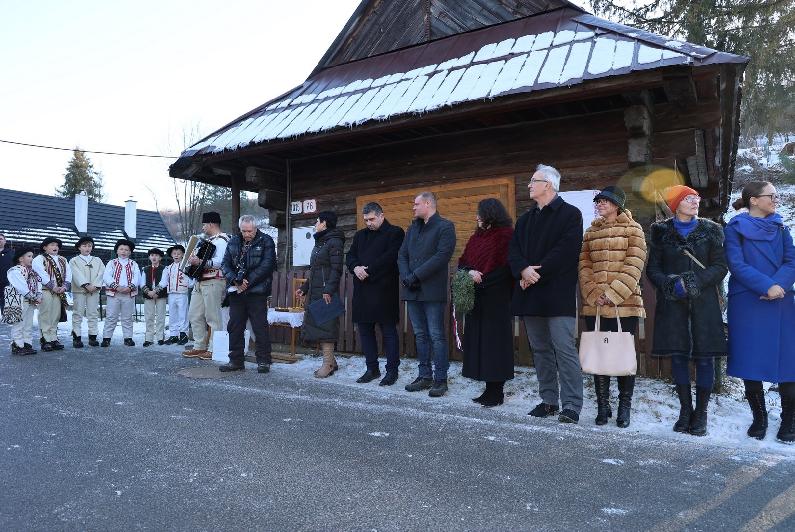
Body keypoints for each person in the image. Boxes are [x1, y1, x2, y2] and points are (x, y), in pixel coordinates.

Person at [647, 185, 727, 437]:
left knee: (705, 357)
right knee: (678, 356)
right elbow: (653, 269)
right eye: (688, 198)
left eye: (696, 198)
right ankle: (685, 411)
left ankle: (700, 413)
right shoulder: (660, 232)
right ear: (675, 204)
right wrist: (670, 284)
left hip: (705, 304)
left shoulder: (712, 230)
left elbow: (720, 266)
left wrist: (693, 283)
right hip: (673, 304)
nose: (695, 202)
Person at [509, 164, 584, 423]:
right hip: (530, 293)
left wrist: (533, 274)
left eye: (533, 181)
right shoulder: (525, 219)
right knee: (540, 349)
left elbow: (566, 251)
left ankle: (572, 405)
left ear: (548, 185)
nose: (529, 185)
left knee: (564, 349)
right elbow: (514, 251)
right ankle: (549, 401)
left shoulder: (570, 214)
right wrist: (522, 270)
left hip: (557, 293)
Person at [725, 181, 795, 443]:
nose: (776, 199)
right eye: (771, 195)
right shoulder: (735, 228)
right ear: (754, 200)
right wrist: (766, 285)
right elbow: (736, 263)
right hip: (748, 299)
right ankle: (759, 417)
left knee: (789, 360)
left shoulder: (780, 227)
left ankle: (790, 419)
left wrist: (779, 285)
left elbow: (792, 259)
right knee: (749, 358)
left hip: (781, 299)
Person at [578, 186, 647, 428]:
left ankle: (624, 407)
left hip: (625, 304)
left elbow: (634, 265)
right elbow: (584, 266)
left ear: (617, 204)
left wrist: (613, 294)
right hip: (595, 305)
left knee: (623, 355)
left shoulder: (633, 229)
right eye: (598, 202)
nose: (600, 205)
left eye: (605, 201)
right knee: (599, 353)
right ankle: (602, 406)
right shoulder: (590, 232)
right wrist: (594, 293)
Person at [398, 192, 456, 397]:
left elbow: (441, 257)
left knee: (436, 335)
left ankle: (440, 379)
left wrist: (415, 276)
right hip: (412, 290)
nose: (413, 208)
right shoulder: (412, 228)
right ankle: (424, 376)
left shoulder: (445, 227)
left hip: (431, 291)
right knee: (420, 335)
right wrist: (406, 277)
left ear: (429, 203)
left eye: (416, 204)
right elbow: (402, 255)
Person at [458, 198, 514, 407]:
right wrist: (469, 272)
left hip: (497, 299)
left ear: (490, 214)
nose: (477, 217)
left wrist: (484, 281)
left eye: (480, 213)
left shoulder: (506, 236)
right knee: (481, 343)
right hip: (477, 298)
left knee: (495, 345)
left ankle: (496, 391)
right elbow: (463, 262)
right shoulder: (476, 238)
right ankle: (488, 389)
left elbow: (506, 268)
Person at [346, 202, 405, 386]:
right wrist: (355, 267)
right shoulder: (360, 235)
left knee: (388, 331)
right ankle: (372, 368)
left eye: (371, 219)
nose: (368, 223)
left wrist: (368, 270)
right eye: (366, 220)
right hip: (362, 290)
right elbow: (350, 256)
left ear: (381, 215)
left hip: (384, 289)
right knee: (365, 331)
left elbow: (390, 258)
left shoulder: (395, 232)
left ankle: (392, 371)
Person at [220, 215, 277, 373]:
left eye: (250, 231)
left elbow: (267, 265)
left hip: (257, 291)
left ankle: (264, 361)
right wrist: (235, 281)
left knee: (259, 327)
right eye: (244, 231)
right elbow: (225, 264)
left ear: (256, 228)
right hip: (237, 291)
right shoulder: (233, 241)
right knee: (235, 326)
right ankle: (236, 360)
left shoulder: (266, 241)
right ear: (240, 229)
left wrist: (247, 282)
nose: (246, 234)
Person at [296, 211, 346, 378]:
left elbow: (337, 269)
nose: (315, 224)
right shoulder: (321, 242)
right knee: (320, 324)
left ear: (324, 223)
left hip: (326, 292)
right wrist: (305, 288)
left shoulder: (334, 242)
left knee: (327, 326)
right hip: (317, 290)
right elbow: (316, 270)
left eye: (317, 221)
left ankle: (328, 364)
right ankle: (332, 360)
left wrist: (328, 290)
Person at [182, 212, 229, 361]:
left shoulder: (222, 240)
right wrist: (193, 261)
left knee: (213, 316)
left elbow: (221, 262)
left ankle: (214, 348)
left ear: (211, 224)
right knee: (194, 314)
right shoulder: (208, 241)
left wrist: (200, 262)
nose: (203, 227)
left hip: (214, 280)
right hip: (200, 281)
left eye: (204, 224)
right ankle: (199, 346)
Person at [32, 237, 71, 352]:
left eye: (57, 245)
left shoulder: (63, 259)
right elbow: (40, 273)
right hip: (46, 290)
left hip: (59, 291)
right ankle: (45, 339)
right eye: (52, 245)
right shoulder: (39, 258)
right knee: (45, 314)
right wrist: (52, 286)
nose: (55, 247)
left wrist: (64, 286)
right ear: (45, 247)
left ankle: (53, 338)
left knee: (56, 314)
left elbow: (68, 273)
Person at [102, 238, 142, 347]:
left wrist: (130, 287)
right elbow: (106, 276)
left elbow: (137, 277)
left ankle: (128, 338)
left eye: (126, 250)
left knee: (127, 316)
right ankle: (106, 338)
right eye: (121, 249)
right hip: (114, 293)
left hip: (129, 293)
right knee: (111, 316)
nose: (124, 251)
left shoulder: (134, 264)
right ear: (117, 251)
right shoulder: (112, 263)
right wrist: (116, 286)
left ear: (130, 252)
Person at [69, 236, 104, 348]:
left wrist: (95, 285)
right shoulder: (74, 261)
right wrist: (85, 284)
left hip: (94, 290)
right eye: (84, 246)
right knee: (78, 313)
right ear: (79, 247)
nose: (87, 248)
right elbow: (75, 273)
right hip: (80, 290)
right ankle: (77, 337)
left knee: (93, 313)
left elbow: (102, 273)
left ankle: (93, 336)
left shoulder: (97, 260)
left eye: (89, 245)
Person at [5, 247, 42, 355]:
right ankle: (17, 345)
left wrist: (39, 294)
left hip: (29, 301)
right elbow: (21, 286)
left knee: (28, 323)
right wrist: (33, 296)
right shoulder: (14, 271)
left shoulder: (33, 272)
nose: (32, 258)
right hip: (18, 300)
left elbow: (38, 284)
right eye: (29, 256)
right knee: (19, 323)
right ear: (21, 259)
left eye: (32, 256)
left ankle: (27, 344)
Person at [160, 245, 193, 345]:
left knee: (183, 314)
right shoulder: (168, 268)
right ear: (171, 255)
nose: (176, 255)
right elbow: (163, 282)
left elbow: (192, 281)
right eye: (174, 253)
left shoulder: (187, 266)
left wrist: (187, 282)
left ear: (183, 254)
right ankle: (173, 335)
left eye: (178, 253)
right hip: (171, 294)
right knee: (172, 315)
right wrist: (155, 290)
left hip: (182, 293)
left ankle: (183, 334)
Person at [141, 248, 167, 347]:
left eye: (156, 255)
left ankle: (160, 337)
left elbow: (164, 282)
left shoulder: (164, 268)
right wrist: (149, 292)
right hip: (148, 295)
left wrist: (155, 291)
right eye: (152, 255)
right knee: (149, 316)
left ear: (160, 258)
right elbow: (142, 283)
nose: (154, 257)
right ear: (149, 257)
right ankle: (149, 338)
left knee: (161, 316)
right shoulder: (145, 269)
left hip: (160, 295)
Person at [0, 233, 12, 310]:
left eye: (1, 239)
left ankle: (4, 319)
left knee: (4, 303)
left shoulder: (11, 253)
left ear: (5, 241)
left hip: (5, 282)